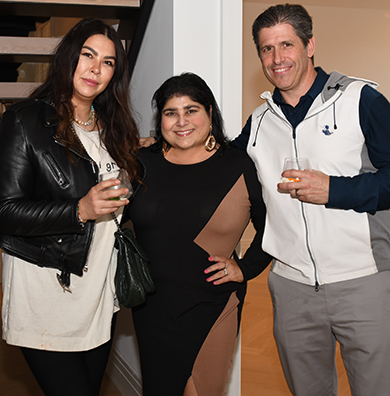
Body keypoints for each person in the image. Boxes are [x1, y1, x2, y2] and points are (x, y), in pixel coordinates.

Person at [234, 4, 390, 396]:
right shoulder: (259, 122)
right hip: (291, 289)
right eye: (266, 49)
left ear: (310, 45)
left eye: (286, 44)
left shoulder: (361, 100)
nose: (277, 58)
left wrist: (335, 190)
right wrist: (158, 148)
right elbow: (216, 170)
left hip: (364, 281)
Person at [0, 18, 140, 396]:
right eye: (88, 55)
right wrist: (79, 209)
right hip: (47, 291)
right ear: (68, 58)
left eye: (108, 62)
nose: (96, 68)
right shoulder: (24, 120)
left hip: (98, 295)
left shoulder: (115, 127)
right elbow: (4, 212)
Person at [128, 72, 271, 396]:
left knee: (201, 390)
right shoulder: (141, 163)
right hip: (153, 307)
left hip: (213, 303)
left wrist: (245, 268)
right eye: (170, 112)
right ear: (160, 119)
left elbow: (271, 228)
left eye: (191, 110)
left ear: (209, 112)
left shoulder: (237, 165)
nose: (181, 121)